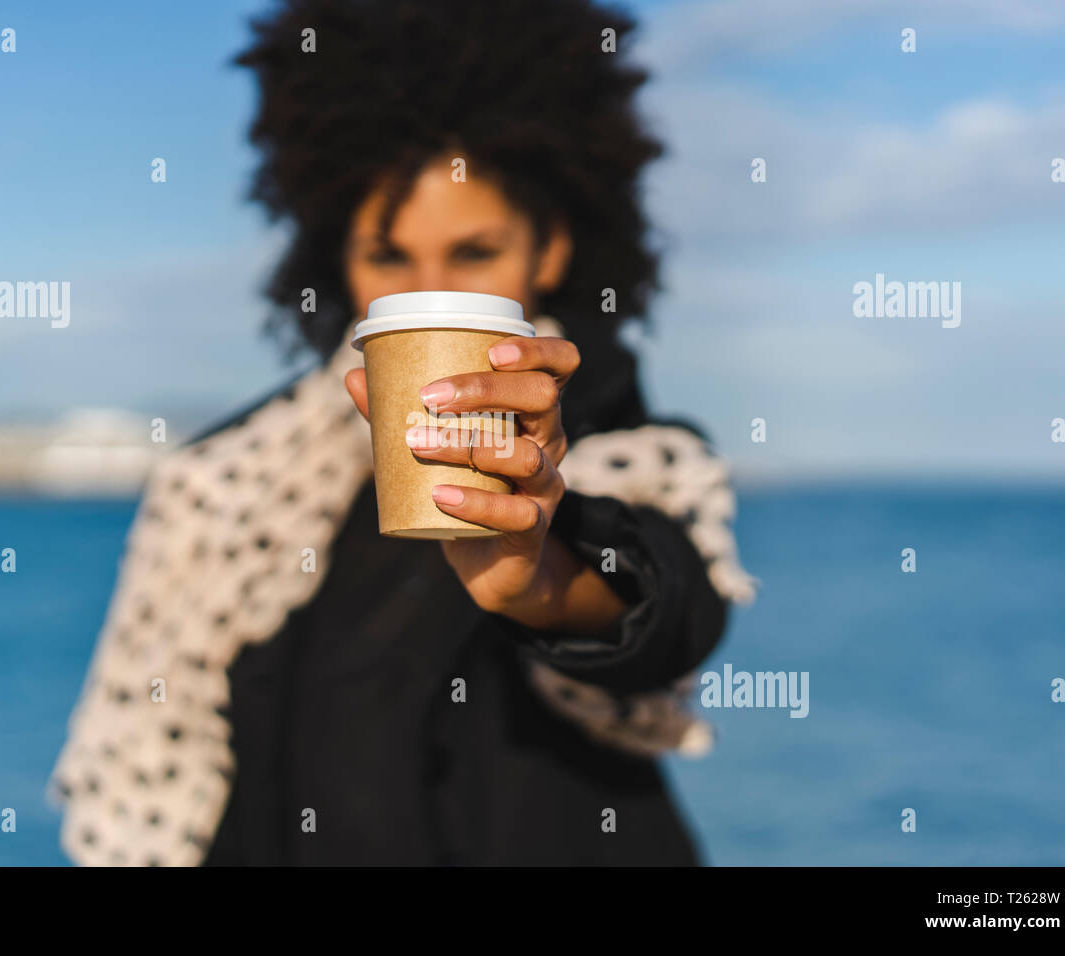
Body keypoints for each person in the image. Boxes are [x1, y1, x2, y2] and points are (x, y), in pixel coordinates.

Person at [47, 0, 756, 867]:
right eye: (389, 257)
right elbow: (150, 776)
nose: (429, 288)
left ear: (552, 250)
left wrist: (540, 577)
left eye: (472, 254)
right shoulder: (224, 486)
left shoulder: (627, 453)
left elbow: (666, 611)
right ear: (337, 261)